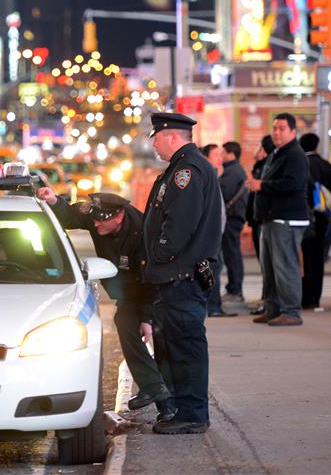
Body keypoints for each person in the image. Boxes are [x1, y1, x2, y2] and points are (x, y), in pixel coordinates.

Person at [38, 187, 176, 422]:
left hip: (154, 291)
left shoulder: (144, 233)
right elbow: (71, 216)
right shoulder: (99, 218)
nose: (95, 225)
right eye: (93, 220)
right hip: (129, 291)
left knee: (160, 342)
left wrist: (147, 317)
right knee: (124, 322)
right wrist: (53, 201)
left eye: (100, 221)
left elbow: (152, 280)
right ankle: (156, 390)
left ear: (119, 217)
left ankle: (170, 403)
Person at [142, 112, 221, 434]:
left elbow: (179, 224)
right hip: (176, 275)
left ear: (172, 137)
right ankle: (182, 410)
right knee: (175, 347)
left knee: (186, 349)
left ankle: (192, 414)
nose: (154, 145)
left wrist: (158, 253)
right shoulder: (181, 167)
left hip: (182, 276)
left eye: (157, 138)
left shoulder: (187, 171)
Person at [247, 113, 309, 327]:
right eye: (274, 128)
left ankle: (291, 311)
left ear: (293, 131)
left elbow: (292, 183)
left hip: (286, 219)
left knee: (285, 267)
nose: (277, 132)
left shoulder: (295, 155)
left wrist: (261, 185)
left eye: (282, 128)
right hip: (270, 218)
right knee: (270, 268)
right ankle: (272, 309)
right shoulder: (277, 153)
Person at [299, 133, 331, 311]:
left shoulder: (301, 164)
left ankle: (304, 297)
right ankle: (315, 297)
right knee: (318, 257)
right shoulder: (326, 165)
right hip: (323, 218)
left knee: (304, 257)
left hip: (303, 217)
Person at [200, 144, 233, 318]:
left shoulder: (212, 174)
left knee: (214, 268)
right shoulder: (207, 175)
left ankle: (213, 305)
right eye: (216, 155)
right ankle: (213, 307)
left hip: (214, 233)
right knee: (213, 269)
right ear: (206, 157)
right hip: (211, 234)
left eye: (221, 155)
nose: (220, 158)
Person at [245, 135, 275, 315]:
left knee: (268, 264)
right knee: (264, 263)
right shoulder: (260, 166)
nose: (257, 150)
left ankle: (269, 300)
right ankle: (266, 298)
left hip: (264, 221)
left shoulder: (267, 166)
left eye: (260, 147)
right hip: (257, 219)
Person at [220, 141, 249, 305]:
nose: (221, 156)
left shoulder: (232, 171)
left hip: (232, 217)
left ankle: (235, 290)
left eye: (223, 153)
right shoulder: (234, 170)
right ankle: (234, 289)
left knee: (232, 254)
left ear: (231, 154)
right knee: (232, 253)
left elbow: (223, 192)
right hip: (234, 216)